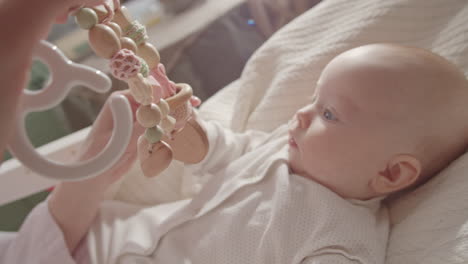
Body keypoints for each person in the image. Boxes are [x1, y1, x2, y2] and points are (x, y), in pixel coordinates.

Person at [1, 3, 467, 261]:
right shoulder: (281, 151)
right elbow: (219, 151)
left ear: (391, 174)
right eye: (312, 100)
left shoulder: (338, 240)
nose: (301, 114)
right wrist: (185, 125)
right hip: (113, 235)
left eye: (329, 114)